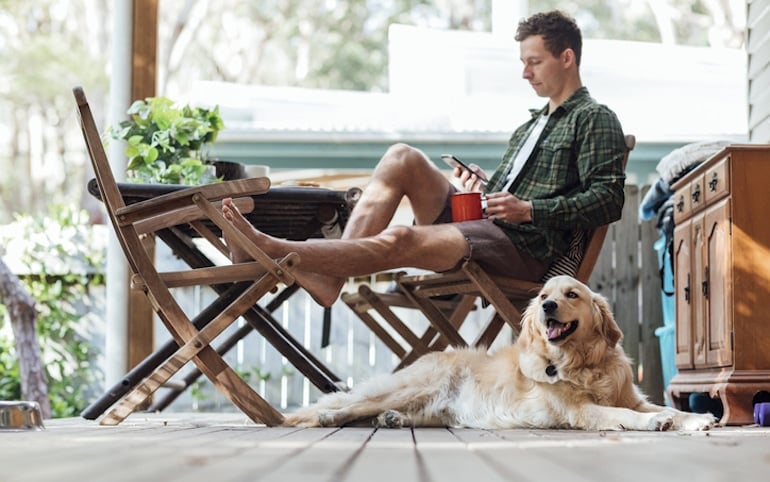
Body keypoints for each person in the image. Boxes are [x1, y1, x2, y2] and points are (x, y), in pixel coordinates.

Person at [222, 10, 627, 308]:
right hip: (486, 225)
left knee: (401, 238)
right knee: (403, 157)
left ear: (567, 58)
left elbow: (608, 200)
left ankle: (273, 247)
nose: (525, 73)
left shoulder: (594, 118)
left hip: (523, 248)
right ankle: (330, 278)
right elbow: (505, 197)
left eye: (534, 62)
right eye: (523, 62)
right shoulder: (529, 127)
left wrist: (531, 210)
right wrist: (483, 188)